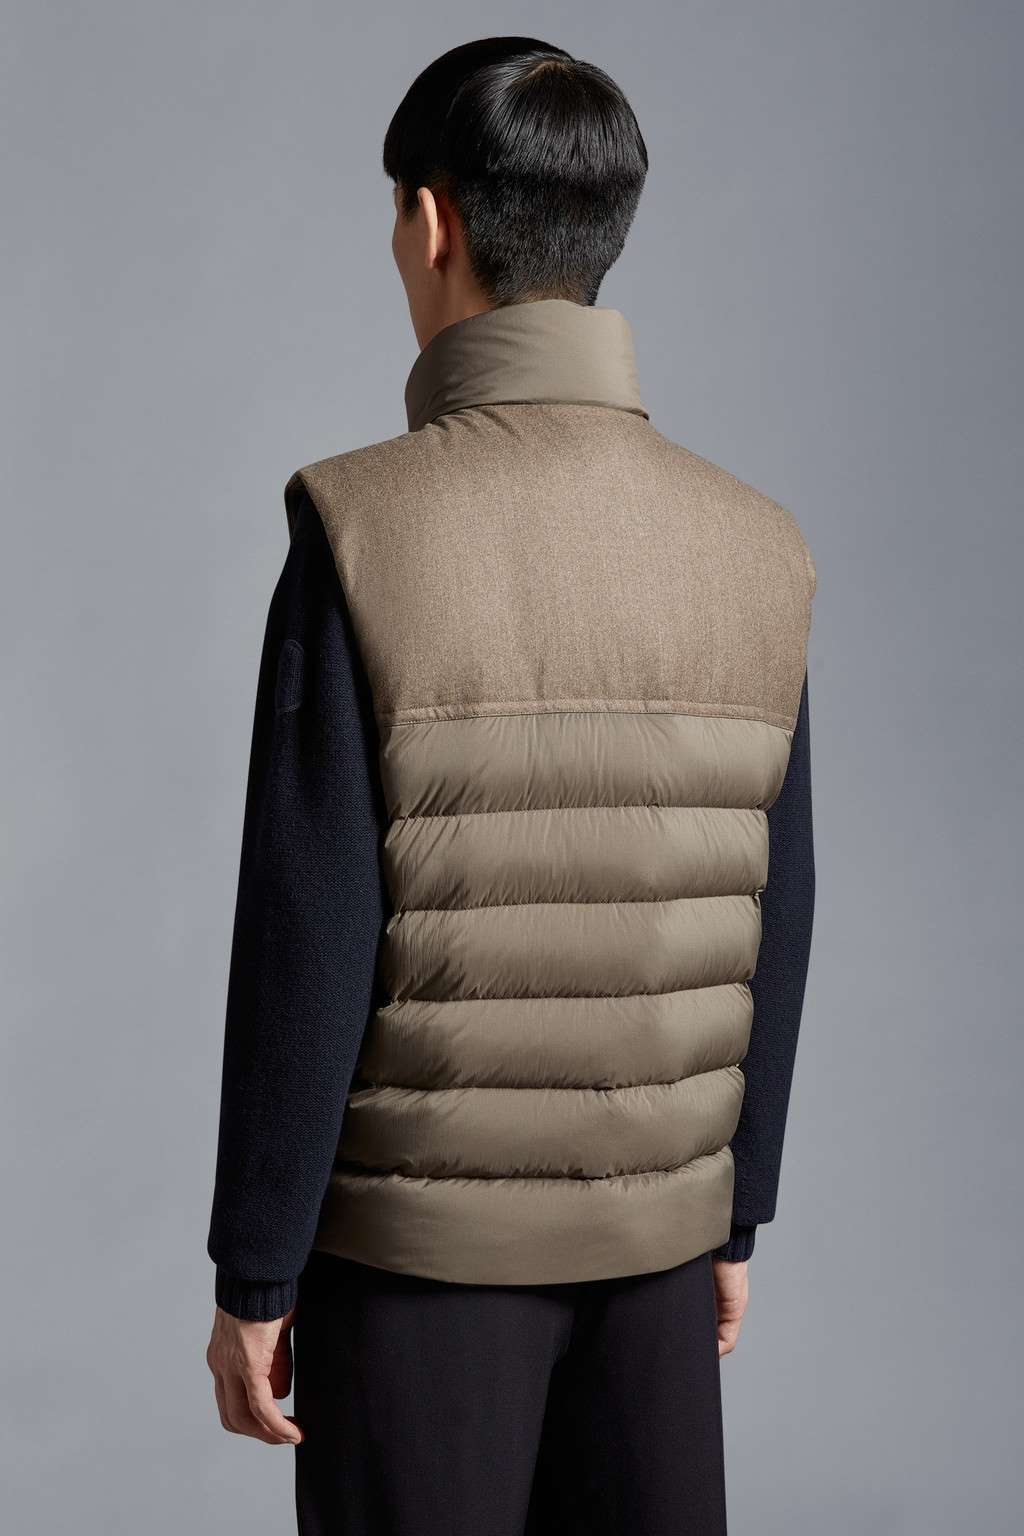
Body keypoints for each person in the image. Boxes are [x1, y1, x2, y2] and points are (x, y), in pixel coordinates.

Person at [206, 36, 815, 1536]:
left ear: (431, 223)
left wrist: (256, 1269)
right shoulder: (757, 540)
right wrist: (736, 1210)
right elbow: (779, 901)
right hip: (664, 1251)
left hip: (415, 1273)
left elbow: (310, 921)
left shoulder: (359, 524)